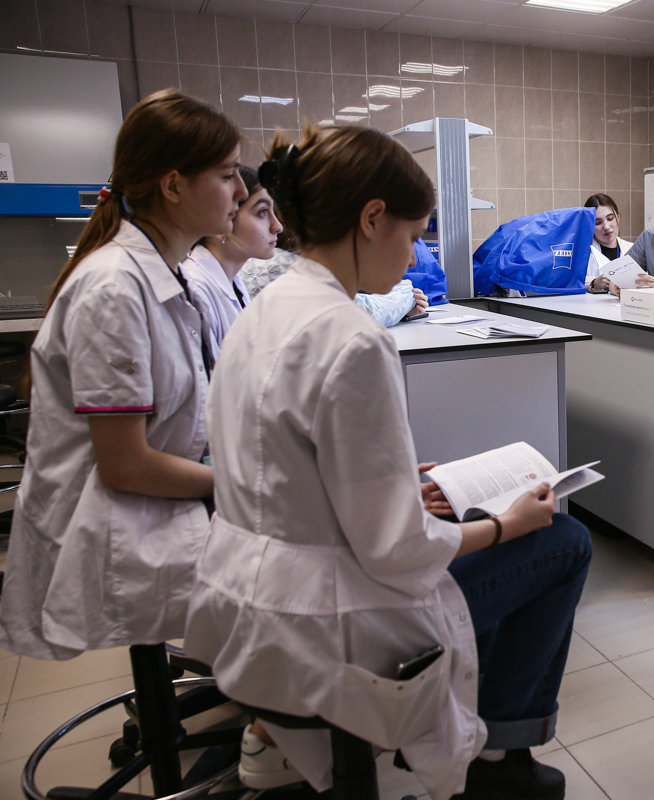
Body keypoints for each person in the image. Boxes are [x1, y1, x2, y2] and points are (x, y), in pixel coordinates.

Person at [184, 125, 592, 800]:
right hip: (333, 620)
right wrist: (505, 525)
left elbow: (282, 464)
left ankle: (489, 743)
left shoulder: (263, 307)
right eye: (413, 236)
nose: (413, 258)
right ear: (372, 219)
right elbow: (398, 552)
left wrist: (402, 482)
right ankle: (498, 758)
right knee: (563, 541)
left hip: (248, 591)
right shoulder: (353, 337)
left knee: (501, 536)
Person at [0, 90, 245, 660]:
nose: (239, 190)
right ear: (174, 185)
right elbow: (126, 464)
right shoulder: (114, 287)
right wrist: (242, 480)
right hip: (112, 527)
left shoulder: (166, 275)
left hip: (153, 509)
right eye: (227, 174)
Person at [180, 165, 281, 360]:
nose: (277, 226)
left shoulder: (233, 282)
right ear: (222, 221)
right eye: (262, 212)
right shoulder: (196, 291)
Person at [240, 230, 430, 326]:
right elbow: (359, 312)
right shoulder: (277, 266)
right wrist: (404, 295)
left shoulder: (264, 263)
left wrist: (401, 308)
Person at [583, 192, 632, 293]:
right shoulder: (583, 253)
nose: (606, 226)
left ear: (618, 218)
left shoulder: (632, 249)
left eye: (610, 218)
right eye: (598, 223)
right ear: (589, 226)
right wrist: (594, 283)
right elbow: (572, 281)